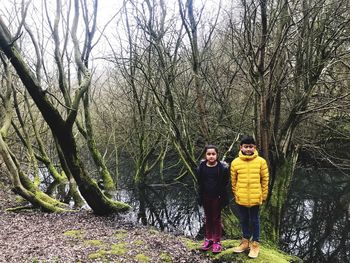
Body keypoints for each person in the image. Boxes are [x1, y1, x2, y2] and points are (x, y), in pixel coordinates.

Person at [230, 135, 269, 258]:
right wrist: (236, 194)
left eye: (251, 147)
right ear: (241, 147)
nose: (248, 149)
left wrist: (263, 195)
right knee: (243, 220)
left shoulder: (261, 161)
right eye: (246, 147)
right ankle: (245, 242)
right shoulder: (235, 162)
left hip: (255, 197)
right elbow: (233, 181)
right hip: (241, 197)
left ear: (254, 147)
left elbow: (265, 180)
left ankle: (255, 244)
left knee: (255, 220)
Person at [197, 145, 229, 253]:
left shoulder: (222, 168)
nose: (211, 156)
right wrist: (200, 196)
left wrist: (223, 197)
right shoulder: (201, 167)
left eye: (213, 154)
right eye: (209, 154)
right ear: (205, 155)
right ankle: (208, 239)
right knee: (208, 218)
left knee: (216, 219)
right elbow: (200, 182)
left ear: (217, 155)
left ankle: (217, 241)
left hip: (217, 197)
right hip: (206, 196)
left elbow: (225, 183)